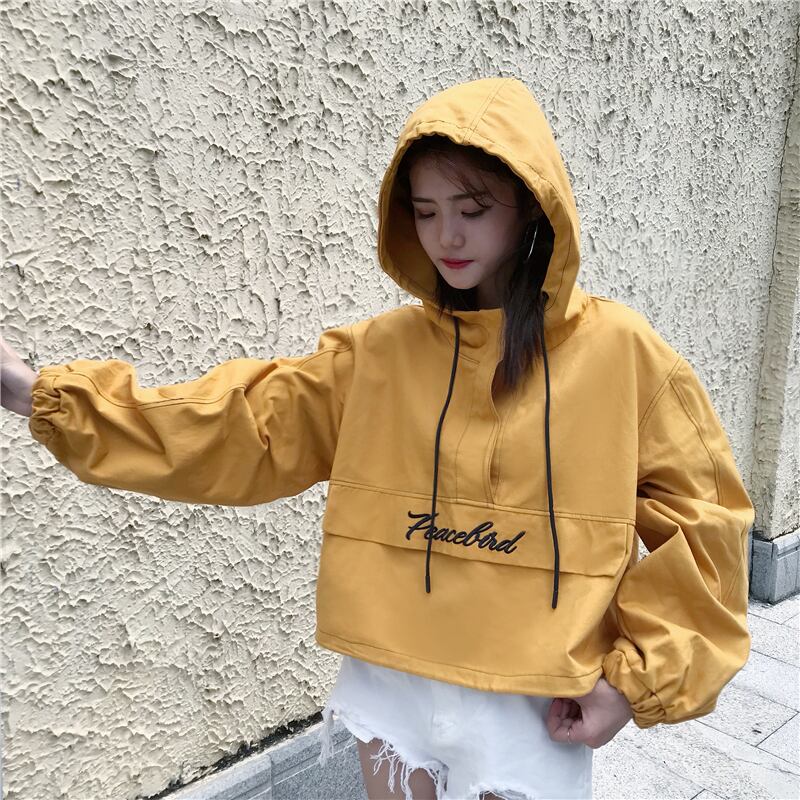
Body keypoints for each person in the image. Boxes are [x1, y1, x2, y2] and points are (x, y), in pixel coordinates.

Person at [0, 77, 754, 800]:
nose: (446, 236)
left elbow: (705, 522)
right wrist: (40, 396)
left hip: (534, 694)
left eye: (472, 208)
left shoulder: (620, 352)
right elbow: (237, 425)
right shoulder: (378, 355)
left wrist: (635, 680)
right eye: (424, 211)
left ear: (531, 203)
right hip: (395, 677)